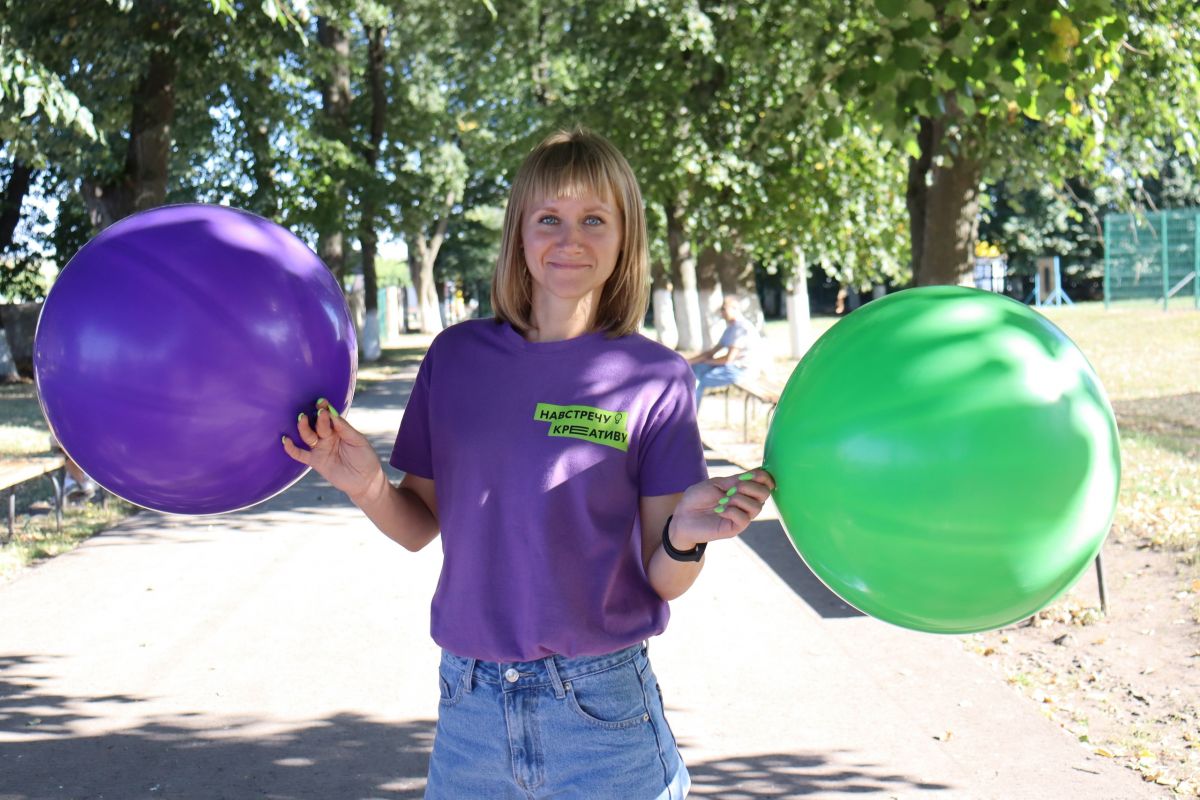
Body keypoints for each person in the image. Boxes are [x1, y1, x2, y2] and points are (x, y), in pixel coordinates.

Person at [282, 128, 775, 799]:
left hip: (600, 714)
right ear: (519, 233)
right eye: (550, 219)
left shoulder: (656, 378)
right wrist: (367, 484)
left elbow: (663, 580)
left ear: (624, 237)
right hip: (470, 708)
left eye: (593, 220)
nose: (569, 239)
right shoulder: (456, 360)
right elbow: (418, 524)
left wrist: (684, 535)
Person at [688, 295, 763, 409]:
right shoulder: (731, 328)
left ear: (735, 308)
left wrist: (706, 361)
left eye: (724, 309)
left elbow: (728, 359)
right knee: (695, 369)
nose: (721, 312)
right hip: (732, 367)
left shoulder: (741, 328)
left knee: (699, 382)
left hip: (742, 370)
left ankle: (690, 419)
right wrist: (690, 361)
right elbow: (712, 351)